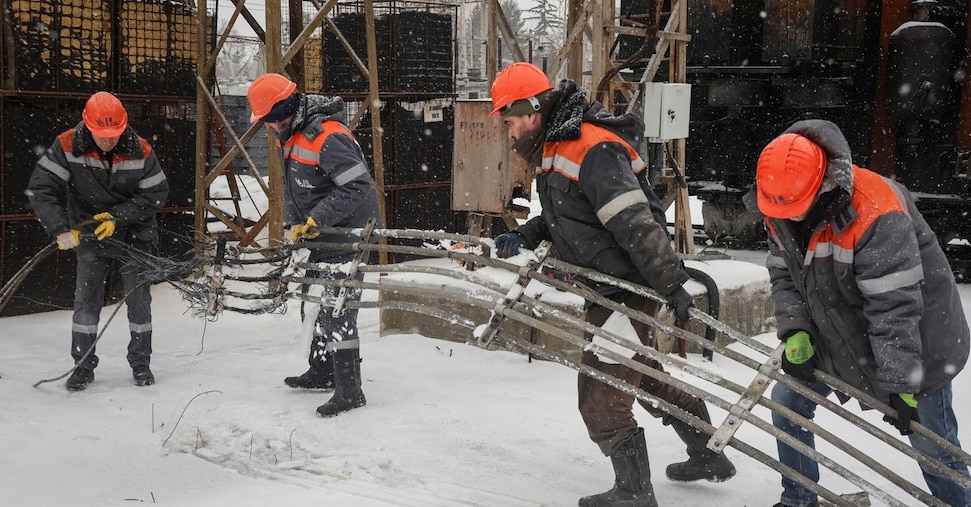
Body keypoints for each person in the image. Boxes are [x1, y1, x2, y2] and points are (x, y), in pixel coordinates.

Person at [489, 62, 736, 506]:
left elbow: (635, 222)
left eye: (509, 122)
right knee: (644, 377)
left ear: (530, 110)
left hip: (627, 290)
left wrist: (671, 283)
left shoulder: (591, 147)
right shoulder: (558, 146)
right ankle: (707, 451)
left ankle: (634, 492)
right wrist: (525, 234)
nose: (509, 134)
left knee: (601, 395)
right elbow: (569, 213)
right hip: (610, 288)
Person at [744, 119, 971, 507]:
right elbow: (783, 271)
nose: (792, 219)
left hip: (918, 345)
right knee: (788, 406)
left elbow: (894, 307)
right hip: (839, 332)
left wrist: (901, 383)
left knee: (935, 450)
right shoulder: (781, 201)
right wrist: (796, 329)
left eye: (799, 210)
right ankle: (799, 499)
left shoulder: (877, 212)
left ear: (822, 183)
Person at [247, 73, 381, 418]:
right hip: (321, 231)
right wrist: (297, 224)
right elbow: (300, 187)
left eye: (268, 120)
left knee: (338, 308)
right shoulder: (289, 134)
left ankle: (350, 391)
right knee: (316, 305)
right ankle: (322, 370)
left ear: (283, 110)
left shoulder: (328, 137)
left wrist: (316, 219)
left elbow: (358, 189)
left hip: (351, 232)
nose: (267, 127)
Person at [26, 91, 170, 391]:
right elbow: (42, 188)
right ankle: (82, 366)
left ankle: (141, 363)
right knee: (86, 303)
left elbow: (155, 194)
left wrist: (117, 217)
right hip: (89, 234)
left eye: (114, 134)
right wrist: (60, 229)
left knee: (139, 302)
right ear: (87, 125)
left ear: (124, 126)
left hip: (134, 234)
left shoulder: (141, 149)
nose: (108, 140)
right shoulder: (67, 145)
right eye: (102, 135)